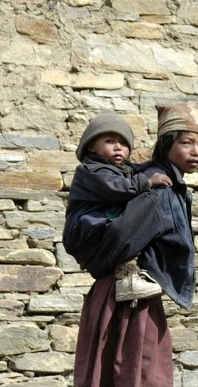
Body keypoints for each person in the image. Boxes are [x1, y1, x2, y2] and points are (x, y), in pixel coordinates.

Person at [69, 102, 198, 387]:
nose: (195, 152)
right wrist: (121, 267)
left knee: (148, 363)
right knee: (125, 363)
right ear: (167, 146)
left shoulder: (167, 184)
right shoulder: (155, 188)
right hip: (123, 288)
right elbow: (123, 236)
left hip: (143, 289)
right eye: (186, 143)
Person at [64, 111, 174, 305]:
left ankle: (129, 273)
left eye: (123, 143)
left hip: (103, 225)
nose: (118, 147)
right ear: (91, 145)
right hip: (87, 229)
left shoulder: (123, 169)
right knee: (149, 202)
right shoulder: (90, 170)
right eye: (109, 140)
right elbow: (114, 188)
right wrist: (147, 182)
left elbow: (140, 171)